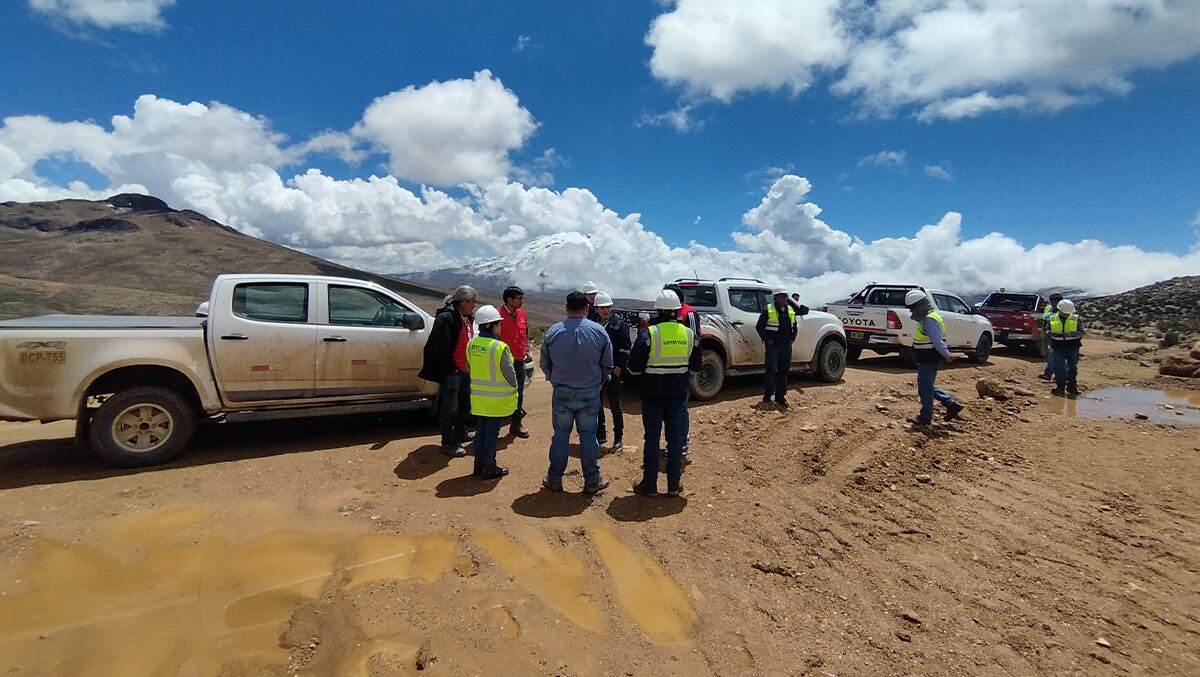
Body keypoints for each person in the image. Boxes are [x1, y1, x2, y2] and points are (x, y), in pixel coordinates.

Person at [628, 289, 701, 498]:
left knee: (652, 438)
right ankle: (673, 485)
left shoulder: (649, 334)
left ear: (657, 311)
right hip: (678, 392)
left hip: (652, 392)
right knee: (675, 439)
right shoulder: (689, 334)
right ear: (678, 311)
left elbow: (633, 367)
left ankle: (649, 485)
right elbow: (696, 365)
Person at [539, 291, 613, 494]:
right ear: (587, 308)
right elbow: (607, 365)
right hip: (589, 392)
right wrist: (598, 384)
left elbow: (544, 362)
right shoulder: (599, 331)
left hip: (562, 392)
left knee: (560, 435)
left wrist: (554, 380)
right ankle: (592, 480)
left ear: (566, 308)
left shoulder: (554, 332)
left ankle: (554, 478)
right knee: (588, 436)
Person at [418, 285, 477, 457]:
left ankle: (460, 432)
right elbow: (439, 348)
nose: (474, 305)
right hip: (452, 372)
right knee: (449, 407)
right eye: (472, 301)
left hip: (464, 369)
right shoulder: (446, 319)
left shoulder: (466, 318)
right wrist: (451, 368)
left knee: (464, 404)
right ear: (463, 301)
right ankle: (447, 441)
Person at [466, 305, 517, 480]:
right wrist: (514, 388)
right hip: (495, 401)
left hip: (478, 399)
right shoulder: (498, 347)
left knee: (481, 431)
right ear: (493, 325)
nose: (500, 327)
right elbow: (509, 374)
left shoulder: (472, 344)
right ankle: (489, 467)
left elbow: (469, 367)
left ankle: (478, 466)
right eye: (499, 324)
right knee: (491, 433)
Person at [904, 289, 964, 426]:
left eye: (912, 309)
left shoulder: (930, 320)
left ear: (919, 306)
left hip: (929, 358)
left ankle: (925, 418)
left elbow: (937, 341)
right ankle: (950, 404)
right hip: (925, 358)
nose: (911, 312)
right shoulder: (927, 318)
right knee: (928, 385)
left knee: (924, 388)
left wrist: (947, 355)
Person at [593, 292, 631, 450]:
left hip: (612, 370)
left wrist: (618, 367)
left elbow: (625, 347)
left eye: (608, 307)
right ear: (596, 309)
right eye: (603, 307)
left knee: (615, 404)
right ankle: (600, 435)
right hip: (595, 371)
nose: (606, 310)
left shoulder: (619, 324)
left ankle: (618, 437)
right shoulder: (592, 323)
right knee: (597, 404)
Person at [498, 285, 531, 438]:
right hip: (501, 361)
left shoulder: (522, 314)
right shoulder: (497, 315)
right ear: (509, 299)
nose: (522, 301)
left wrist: (526, 349)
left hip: (518, 360)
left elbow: (525, 333)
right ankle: (494, 428)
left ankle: (516, 424)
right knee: (500, 393)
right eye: (519, 298)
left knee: (519, 393)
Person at [756, 287, 798, 407]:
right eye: (783, 296)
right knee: (771, 370)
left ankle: (780, 396)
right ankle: (768, 395)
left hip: (786, 346)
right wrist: (768, 340)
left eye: (786, 296)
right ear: (776, 297)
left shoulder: (790, 310)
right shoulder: (768, 309)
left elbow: (794, 326)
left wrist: (792, 338)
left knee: (784, 370)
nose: (786, 299)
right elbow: (759, 326)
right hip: (773, 346)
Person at [1048, 299, 1085, 397]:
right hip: (1058, 346)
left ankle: (1071, 386)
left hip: (1073, 347)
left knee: (1072, 367)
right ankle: (1060, 386)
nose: (1067, 315)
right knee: (1058, 367)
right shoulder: (1052, 318)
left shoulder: (1076, 318)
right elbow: (1047, 330)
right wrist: (1056, 334)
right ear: (1059, 310)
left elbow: (1082, 331)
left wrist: (1070, 335)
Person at [1038, 293, 1064, 381]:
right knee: (1048, 355)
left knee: (1055, 356)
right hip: (1046, 335)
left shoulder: (1064, 311)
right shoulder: (1048, 308)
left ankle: (1053, 374)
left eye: (1055, 302)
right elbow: (1045, 318)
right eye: (1051, 301)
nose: (1052, 303)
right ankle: (1050, 373)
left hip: (1058, 337)